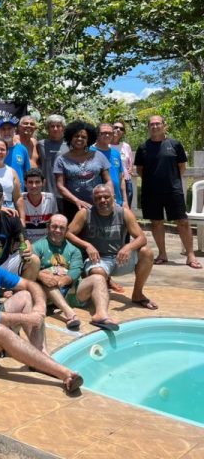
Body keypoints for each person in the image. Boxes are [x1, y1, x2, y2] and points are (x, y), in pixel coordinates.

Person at [0, 229, 84, 392]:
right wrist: (27, 319)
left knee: (25, 295)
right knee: (0, 330)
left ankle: (41, 356)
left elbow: (29, 285)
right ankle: (64, 374)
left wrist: (40, 305)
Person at [67, 184, 157, 318]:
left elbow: (141, 238)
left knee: (147, 252)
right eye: (98, 198)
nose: (103, 200)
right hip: (98, 259)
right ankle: (100, 302)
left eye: (106, 197)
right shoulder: (85, 213)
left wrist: (128, 247)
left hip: (120, 258)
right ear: (93, 200)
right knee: (98, 272)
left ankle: (138, 294)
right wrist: (87, 245)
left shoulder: (124, 213)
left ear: (113, 198)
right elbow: (68, 233)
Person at [135, 115, 202, 269]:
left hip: (173, 190)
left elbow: (181, 166)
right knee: (156, 223)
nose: (155, 126)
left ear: (164, 126)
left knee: (183, 222)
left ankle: (190, 256)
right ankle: (162, 254)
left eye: (158, 123)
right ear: (148, 127)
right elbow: (140, 170)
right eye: (151, 124)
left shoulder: (175, 144)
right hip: (151, 191)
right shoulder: (143, 147)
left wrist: (171, 180)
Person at [53, 119, 111, 222]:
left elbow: (108, 180)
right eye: (76, 136)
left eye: (84, 137)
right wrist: (77, 201)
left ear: (89, 139)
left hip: (98, 204)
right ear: (70, 137)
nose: (79, 139)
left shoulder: (99, 156)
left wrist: (108, 197)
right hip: (72, 206)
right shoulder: (61, 159)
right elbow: (60, 186)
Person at [32, 214, 83, 330]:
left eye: (62, 228)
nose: (58, 230)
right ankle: (69, 314)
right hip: (47, 291)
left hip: (69, 289)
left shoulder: (74, 250)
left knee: (97, 279)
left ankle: (102, 316)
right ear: (48, 227)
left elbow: (76, 270)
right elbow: (30, 270)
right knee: (45, 278)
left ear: (66, 230)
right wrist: (42, 276)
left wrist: (61, 281)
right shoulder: (37, 247)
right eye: (54, 226)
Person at [91, 122, 128, 207]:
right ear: (97, 134)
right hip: (98, 200)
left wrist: (125, 201)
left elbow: (121, 178)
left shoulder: (116, 153)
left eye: (110, 133)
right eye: (104, 133)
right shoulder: (90, 152)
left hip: (117, 200)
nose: (107, 135)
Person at [37, 114, 69, 212]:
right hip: (45, 193)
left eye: (58, 126)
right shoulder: (40, 144)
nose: (55, 129)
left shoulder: (69, 145)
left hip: (65, 194)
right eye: (52, 126)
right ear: (48, 129)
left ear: (63, 128)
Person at [21, 168, 58, 243]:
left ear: (43, 182)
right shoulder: (20, 199)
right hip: (27, 243)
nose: (34, 186)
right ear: (25, 183)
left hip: (46, 244)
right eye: (30, 182)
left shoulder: (50, 198)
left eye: (37, 182)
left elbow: (55, 222)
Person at [0, 118, 30, 185]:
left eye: (9, 128)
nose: (6, 132)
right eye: (3, 129)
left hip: (19, 192)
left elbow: (28, 174)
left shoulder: (22, 149)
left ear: (14, 130)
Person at [111, 121, 135, 207]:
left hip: (125, 180)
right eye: (116, 127)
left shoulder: (126, 146)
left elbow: (130, 163)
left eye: (121, 129)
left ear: (123, 132)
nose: (118, 130)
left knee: (126, 206)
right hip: (111, 180)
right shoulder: (105, 145)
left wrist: (130, 169)